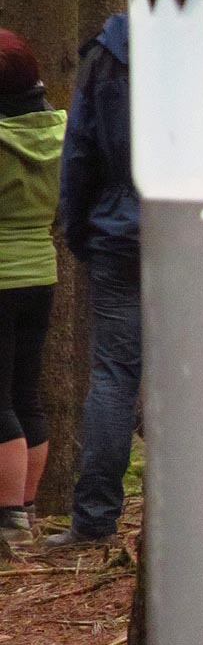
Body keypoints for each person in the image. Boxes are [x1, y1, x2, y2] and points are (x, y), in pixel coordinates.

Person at [45, 0, 179, 550]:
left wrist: (79, 227)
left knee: (115, 376)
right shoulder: (202, 48)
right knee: (193, 368)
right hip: (191, 235)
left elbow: (79, 153)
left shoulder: (107, 56)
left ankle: (95, 520)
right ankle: (188, 514)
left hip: (119, 235)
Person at [0, 31, 67, 546]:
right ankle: (25, 510)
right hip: (40, 274)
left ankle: (8, 521)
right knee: (25, 393)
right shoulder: (61, 130)